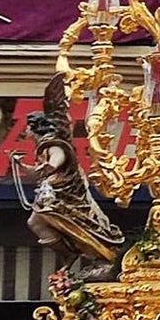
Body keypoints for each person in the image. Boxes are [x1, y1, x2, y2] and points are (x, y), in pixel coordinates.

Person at [11, 74, 124, 276]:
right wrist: (20, 164)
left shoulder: (55, 144)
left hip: (68, 198)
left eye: (28, 126)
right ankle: (68, 253)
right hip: (54, 198)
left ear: (36, 127)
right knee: (35, 223)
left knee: (78, 227)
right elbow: (40, 172)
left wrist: (43, 168)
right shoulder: (43, 147)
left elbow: (55, 163)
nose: (25, 131)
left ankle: (98, 255)